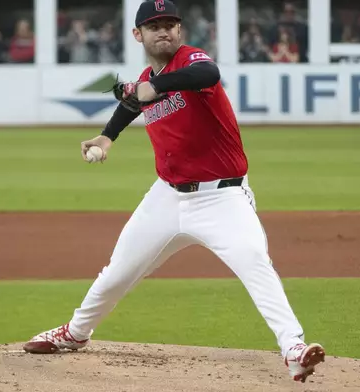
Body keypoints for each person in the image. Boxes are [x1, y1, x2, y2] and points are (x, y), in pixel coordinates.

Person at [22, 0, 325, 383]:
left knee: (254, 262)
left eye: (170, 24)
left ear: (180, 31)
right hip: (166, 197)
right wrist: (107, 136)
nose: (163, 30)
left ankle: (294, 349)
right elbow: (134, 102)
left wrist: (154, 86)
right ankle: (75, 334)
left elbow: (207, 72)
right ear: (138, 35)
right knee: (117, 272)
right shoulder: (148, 77)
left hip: (223, 197)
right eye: (154, 26)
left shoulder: (190, 63)